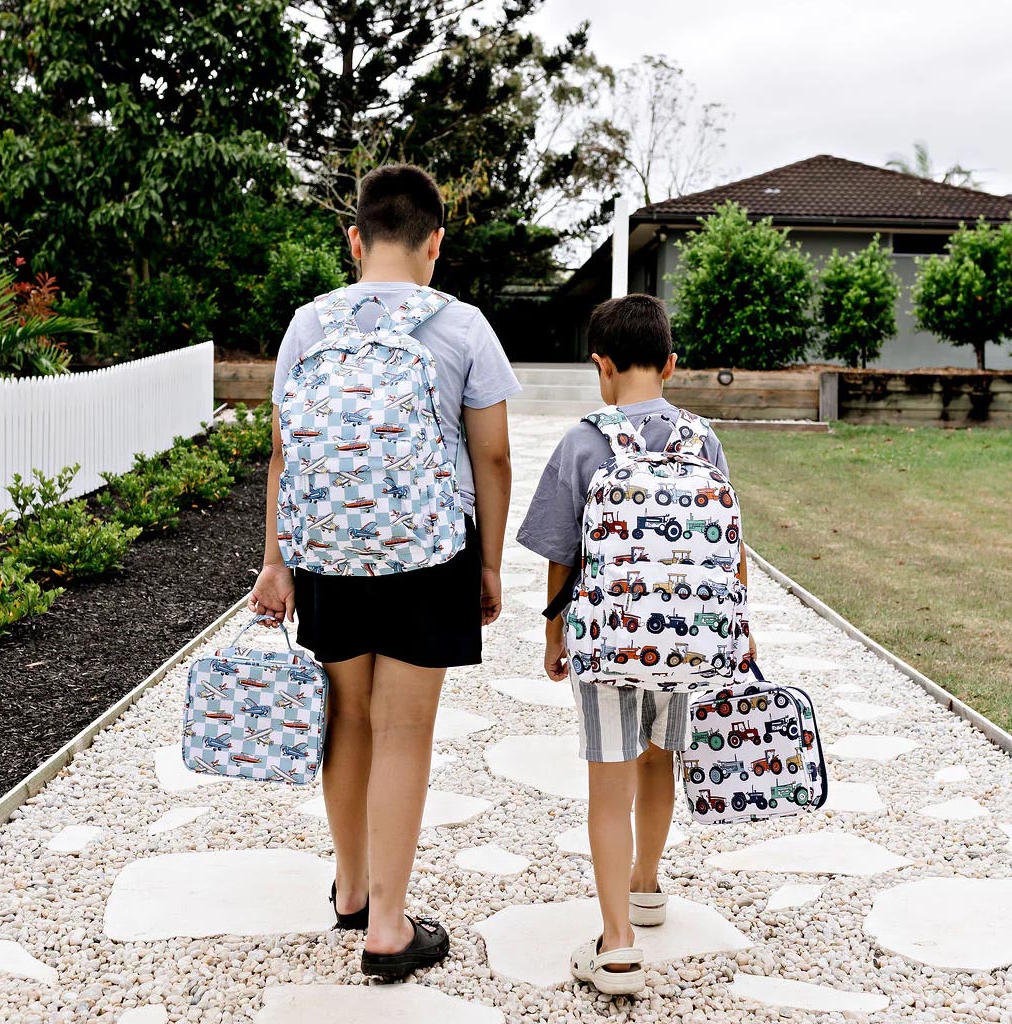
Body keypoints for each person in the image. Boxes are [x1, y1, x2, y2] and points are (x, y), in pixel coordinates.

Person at [248, 163, 520, 979]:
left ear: (355, 239)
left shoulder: (308, 324)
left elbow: (284, 454)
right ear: (435, 242)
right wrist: (490, 562)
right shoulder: (463, 325)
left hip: (328, 548)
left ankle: (352, 890)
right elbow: (494, 455)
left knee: (347, 720)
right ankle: (390, 929)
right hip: (431, 551)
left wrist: (276, 560)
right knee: (404, 730)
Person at [517, 294, 757, 995]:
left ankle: (618, 943)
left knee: (609, 781)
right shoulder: (702, 440)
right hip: (690, 640)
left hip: (607, 639)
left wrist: (555, 631)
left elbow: (561, 552)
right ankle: (647, 883)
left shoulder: (583, 442)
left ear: (602, 365)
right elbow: (730, 546)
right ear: (671, 365)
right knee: (659, 762)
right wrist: (739, 629)